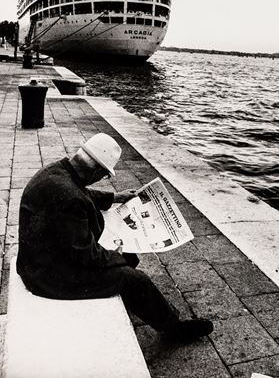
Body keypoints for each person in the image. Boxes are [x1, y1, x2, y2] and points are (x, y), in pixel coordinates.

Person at [17, 133, 213, 342]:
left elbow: (81, 192)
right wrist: (115, 254)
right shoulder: (70, 198)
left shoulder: (57, 171)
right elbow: (85, 254)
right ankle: (174, 331)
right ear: (96, 170)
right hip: (48, 276)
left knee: (128, 258)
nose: (102, 179)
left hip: (37, 259)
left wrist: (115, 197)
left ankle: (130, 297)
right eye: (104, 175)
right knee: (135, 279)